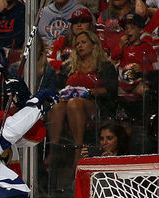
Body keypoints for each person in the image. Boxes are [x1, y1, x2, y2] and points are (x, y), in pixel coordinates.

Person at [47, 30, 118, 167]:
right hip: (69, 106)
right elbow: (59, 89)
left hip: (96, 106)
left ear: (94, 44)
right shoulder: (69, 66)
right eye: (77, 44)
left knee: (75, 103)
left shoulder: (104, 66)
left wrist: (88, 92)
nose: (80, 46)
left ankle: (77, 151)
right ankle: (53, 151)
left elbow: (110, 91)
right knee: (57, 107)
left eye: (83, 42)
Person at [47, 7, 109, 71]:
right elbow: (47, 60)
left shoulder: (98, 41)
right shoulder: (62, 41)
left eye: (83, 21)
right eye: (75, 22)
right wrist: (64, 65)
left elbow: (104, 61)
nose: (79, 25)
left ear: (90, 25)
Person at [111, 12, 157, 96]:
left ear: (141, 30)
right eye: (126, 28)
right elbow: (113, 58)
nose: (128, 31)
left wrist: (142, 69)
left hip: (139, 83)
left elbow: (154, 69)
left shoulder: (146, 47)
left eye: (132, 28)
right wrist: (120, 46)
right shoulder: (122, 45)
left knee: (145, 91)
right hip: (122, 84)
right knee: (111, 93)